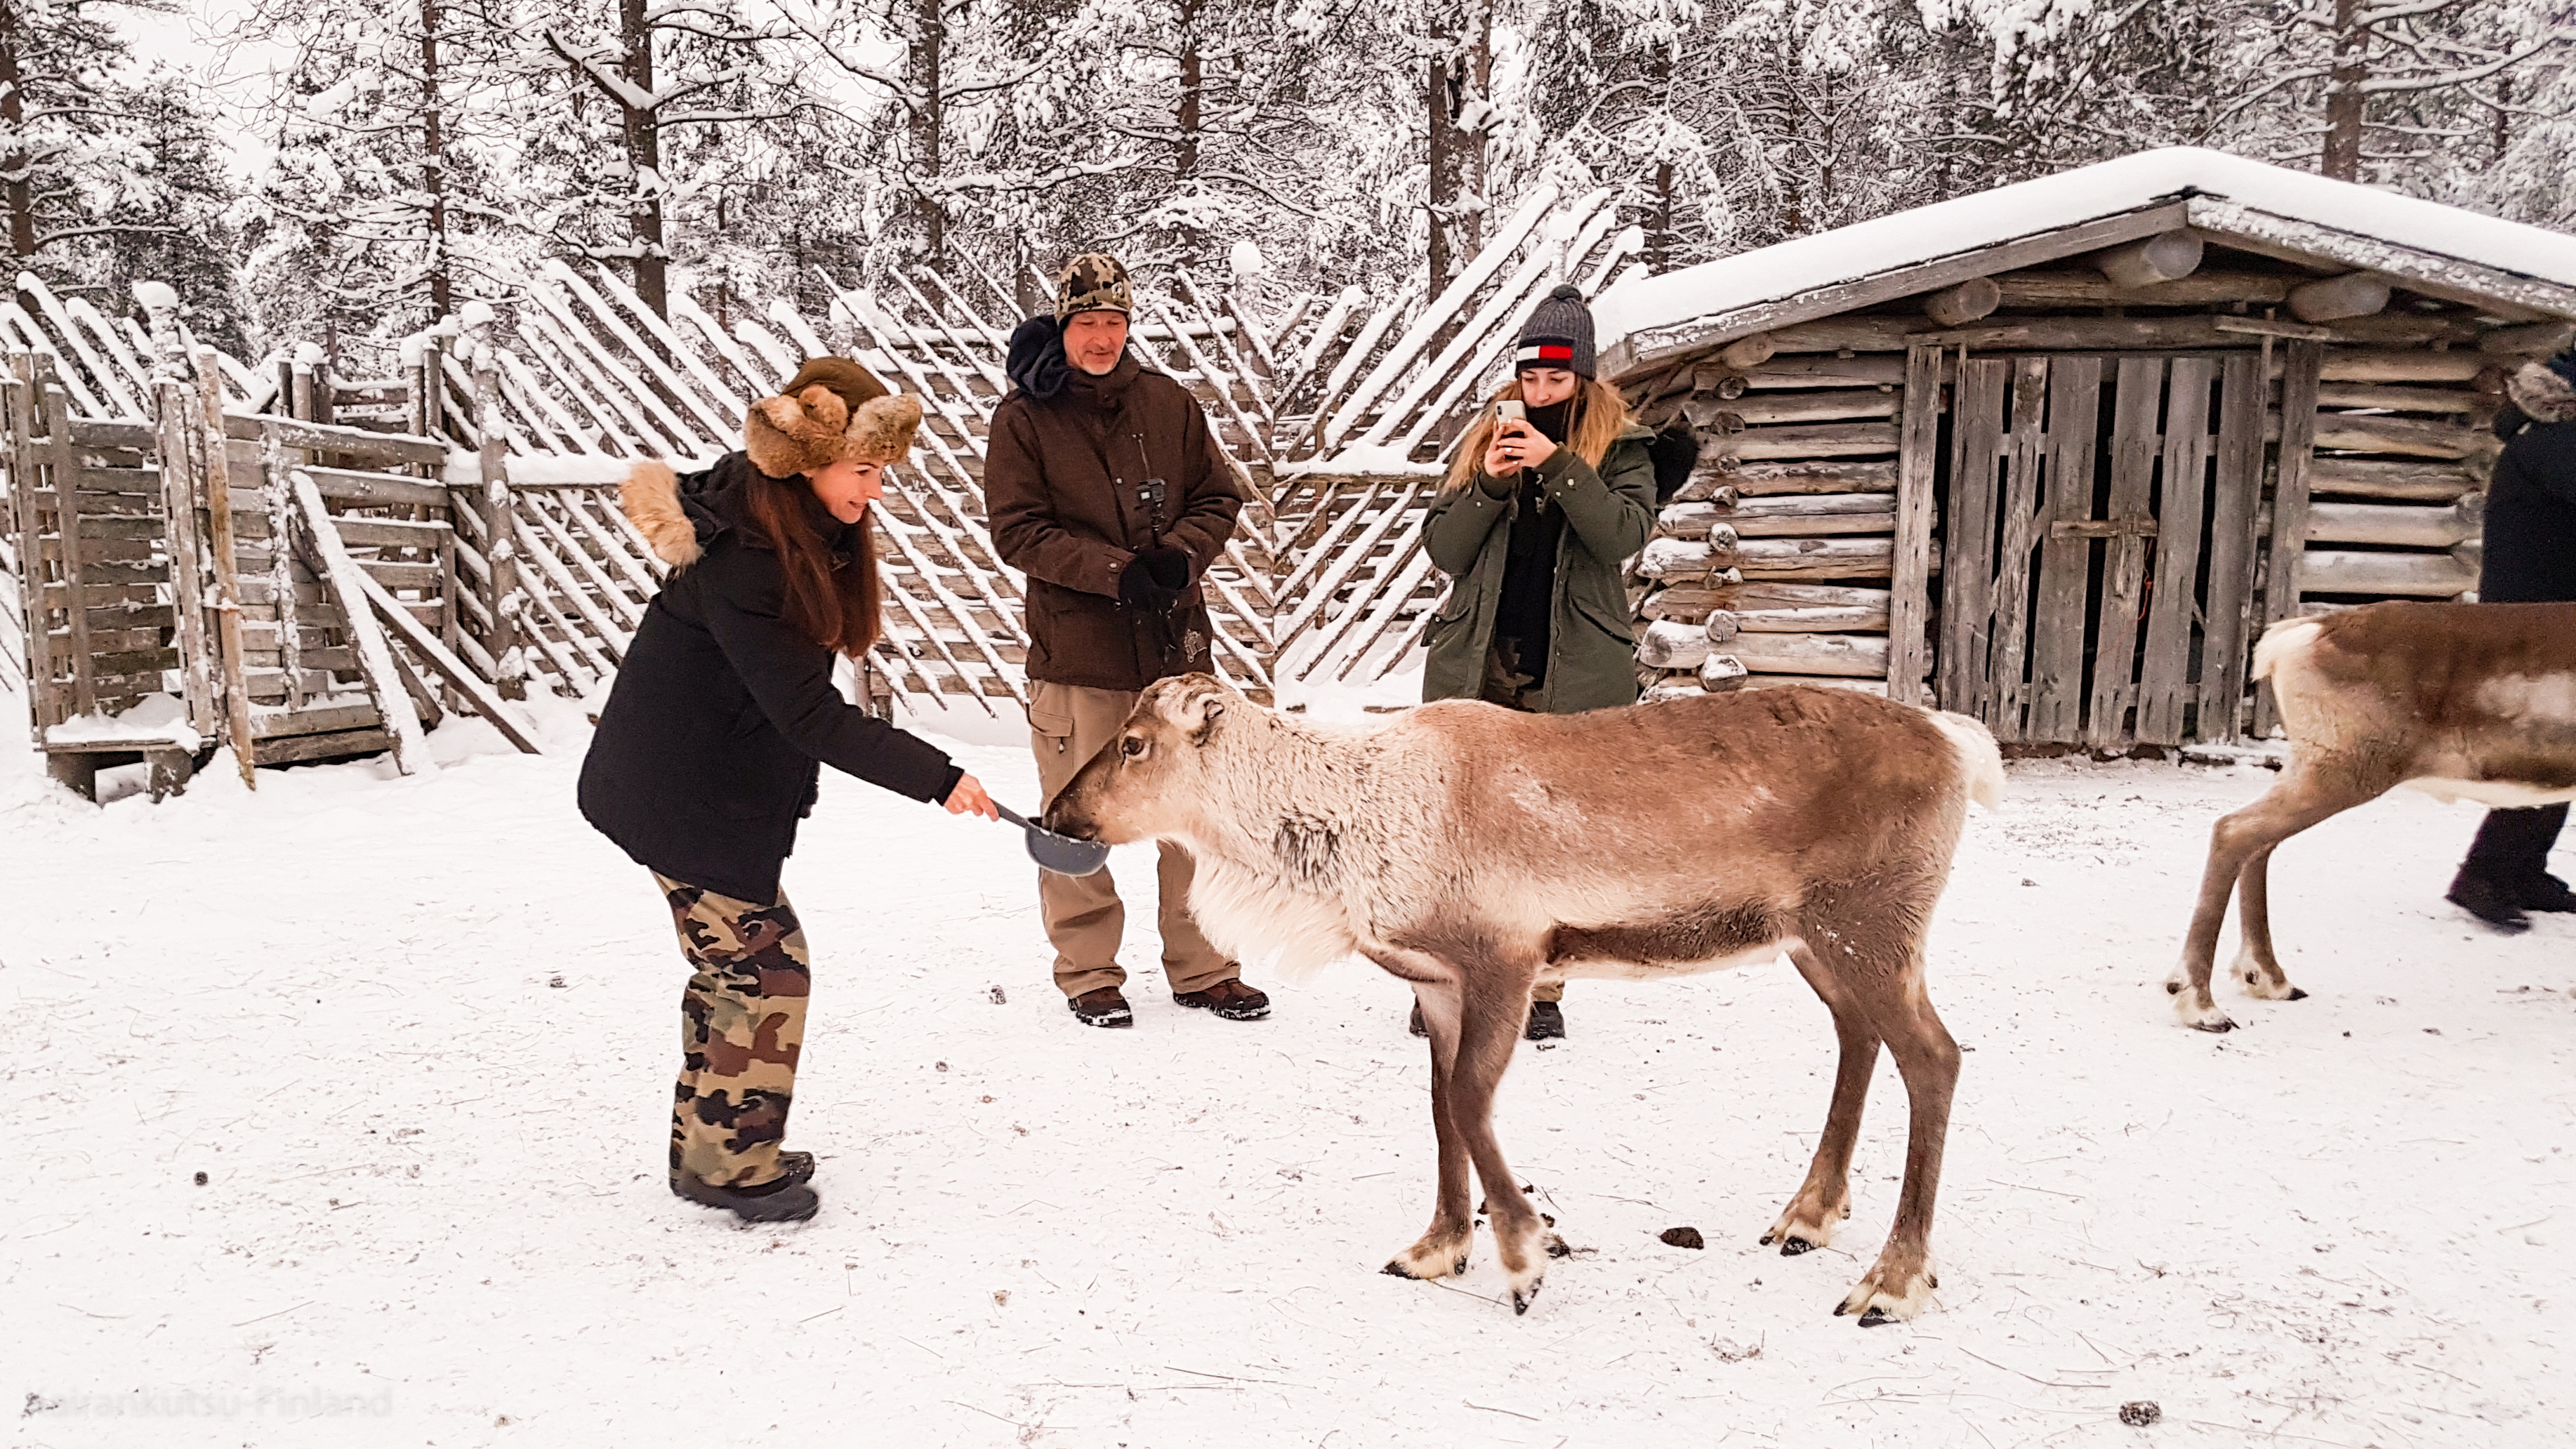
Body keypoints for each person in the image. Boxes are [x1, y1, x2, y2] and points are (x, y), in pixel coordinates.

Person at [580, 357, 999, 1223]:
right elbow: (810, 716)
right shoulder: (754, 557)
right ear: (806, 462)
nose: (877, 492)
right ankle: (729, 1164)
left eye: (883, 471)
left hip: (699, 783)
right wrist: (941, 777)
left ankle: (723, 1144)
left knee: (738, 966)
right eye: (863, 470)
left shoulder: (790, 527)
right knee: (762, 968)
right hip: (681, 794)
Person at [985, 253, 1269, 1029]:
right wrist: (1118, 573)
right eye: (1088, 323)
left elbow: (1219, 494)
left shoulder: (1168, 403)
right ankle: (1088, 973)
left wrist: (1180, 554)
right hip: (1080, 654)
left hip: (1175, 653)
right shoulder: (1023, 419)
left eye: (1114, 322)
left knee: (1194, 815)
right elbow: (1018, 532)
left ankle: (1205, 966)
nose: (1102, 337)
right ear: (1064, 326)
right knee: (1077, 815)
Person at [1415, 283, 1657, 1040]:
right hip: (1479, 662)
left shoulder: (1624, 448)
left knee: (1555, 835)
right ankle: (1446, 978)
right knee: (1459, 830)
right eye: (1531, 377)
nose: (1541, 392)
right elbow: (1445, 551)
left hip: (1575, 668)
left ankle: (1542, 988)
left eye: (1557, 379)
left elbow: (1621, 536)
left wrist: (1559, 466)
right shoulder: (1484, 436)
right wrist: (1489, 481)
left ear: (1583, 378)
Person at [2445, 346, 2576, 930]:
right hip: (2529, 625)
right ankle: (2483, 874)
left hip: (2550, 619)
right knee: (2541, 749)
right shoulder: (2551, 441)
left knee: (2562, 748)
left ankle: (2522, 871)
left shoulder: (2548, 434)